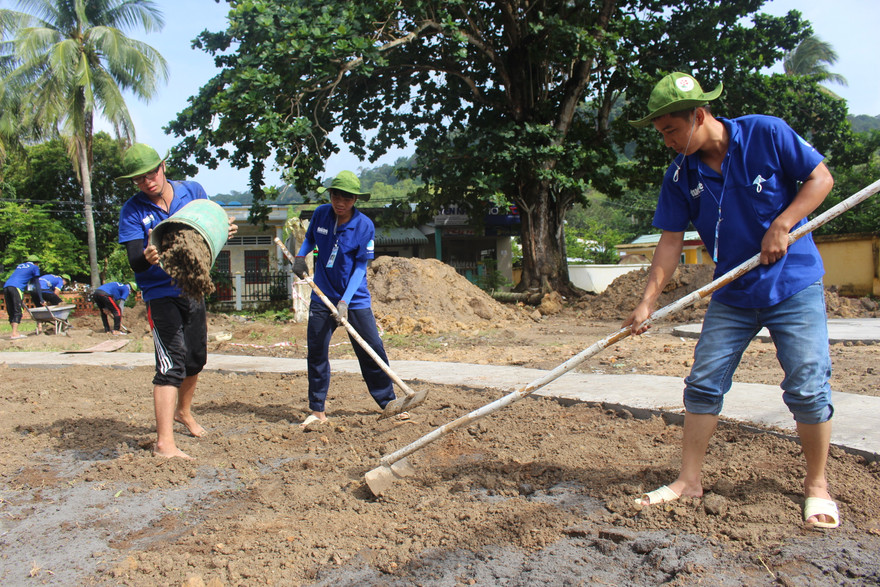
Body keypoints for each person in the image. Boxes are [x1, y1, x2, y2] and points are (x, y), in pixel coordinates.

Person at [625, 72, 838, 529]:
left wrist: (784, 222)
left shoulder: (765, 133)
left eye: (671, 130)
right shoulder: (681, 173)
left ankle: (817, 487)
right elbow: (669, 241)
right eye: (661, 133)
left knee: (807, 387)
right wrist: (647, 301)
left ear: (699, 115)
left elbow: (821, 179)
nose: (666, 141)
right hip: (733, 292)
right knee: (702, 383)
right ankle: (688, 480)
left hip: (792, 284)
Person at [116, 143, 237, 459]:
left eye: (151, 173)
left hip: (192, 288)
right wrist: (148, 255)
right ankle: (164, 444)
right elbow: (134, 262)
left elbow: (208, 228)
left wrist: (225, 229)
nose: (147, 182)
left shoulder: (192, 191)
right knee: (171, 364)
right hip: (160, 296)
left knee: (196, 358)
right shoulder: (133, 211)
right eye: (139, 179)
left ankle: (184, 412)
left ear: (163, 166)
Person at [292, 170, 397, 430]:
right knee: (316, 351)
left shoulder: (364, 225)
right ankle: (318, 411)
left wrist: (346, 302)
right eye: (336, 196)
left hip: (355, 298)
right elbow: (310, 239)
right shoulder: (320, 214)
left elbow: (361, 267)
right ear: (330, 196)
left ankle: (390, 404)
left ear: (355, 200)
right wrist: (300, 256)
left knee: (372, 350)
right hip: (323, 294)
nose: (340, 202)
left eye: (347, 198)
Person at [3, 255, 43, 339]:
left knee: (11, 310)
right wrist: (41, 299)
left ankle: (15, 332)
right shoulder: (34, 267)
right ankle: (14, 334)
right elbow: (37, 284)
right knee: (18, 310)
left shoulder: (20, 266)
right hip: (16, 287)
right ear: (36, 263)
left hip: (6, 286)